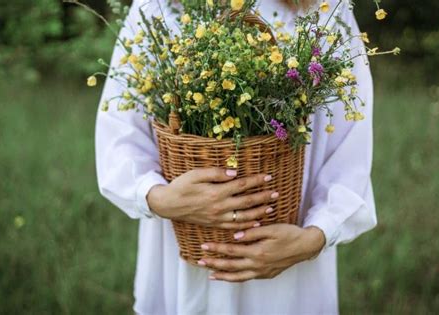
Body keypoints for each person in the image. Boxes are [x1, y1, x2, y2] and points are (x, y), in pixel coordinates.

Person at [95, 0, 377, 313]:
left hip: (287, 268)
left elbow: (351, 148)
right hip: (183, 255)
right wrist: (159, 198)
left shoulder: (324, 8)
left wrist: (312, 239)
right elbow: (119, 134)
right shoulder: (158, 7)